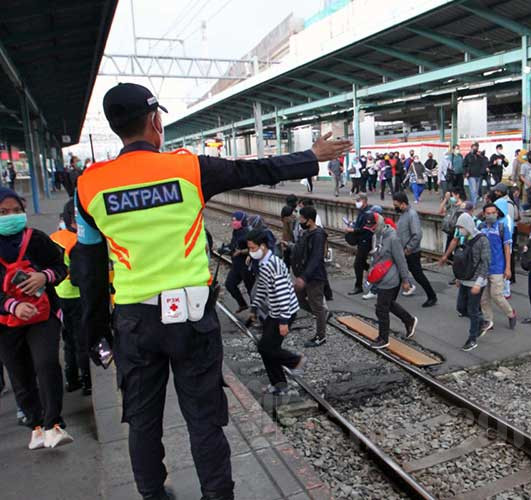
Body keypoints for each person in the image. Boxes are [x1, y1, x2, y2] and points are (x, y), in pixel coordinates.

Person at [72, 83, 349, 500]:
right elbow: (256, 170)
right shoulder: (187, 169)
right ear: (155, 121)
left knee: (143, 422)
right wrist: (312, 157)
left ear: (115, 128)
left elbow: (88, 270)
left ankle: (153, 494)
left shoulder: (89, 186)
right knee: (204, 418)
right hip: (191, 317)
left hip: (133, 321)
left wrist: (94, 332)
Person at [0, 188, 72, 450]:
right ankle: (36, 425)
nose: (11, 216)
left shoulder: (36, 239)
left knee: (47, 364)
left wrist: (45, 276)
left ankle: (54, 423)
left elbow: (61, 266)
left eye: (16, 211)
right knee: (20, 375)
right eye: (3, 212)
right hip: (6, 324)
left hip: (44, 315)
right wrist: (12, 305)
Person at [247, 230, 304, 396]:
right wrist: (254, 308)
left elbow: (283, 294)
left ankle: (296, 361)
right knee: (267, 348)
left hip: (284, 311)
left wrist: (284, 321)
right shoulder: (264, 263)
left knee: (266, 347)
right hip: (275, 310)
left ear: (263, 247)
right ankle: (279, 384)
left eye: (253, 248)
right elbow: (263, 289)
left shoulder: (272, 264)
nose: (251, 252)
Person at [50, 199, 92, 396]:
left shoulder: (53, 237)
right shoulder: (77, 242)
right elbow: (78, 277)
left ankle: (71, 379)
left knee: (68, 340)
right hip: (77, 297)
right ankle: (87, 381)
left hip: (58, 297)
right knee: (82, 340)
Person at [366, 212, 417, 349]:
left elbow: (401, 260)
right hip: (380, 276)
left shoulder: (393, 238)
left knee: (381, 308)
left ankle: (384, 338)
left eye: (373, 226)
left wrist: (406, 280)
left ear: (379, 224)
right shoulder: (376, 235)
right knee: (387, 304)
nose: (371, 229)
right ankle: (409, 320)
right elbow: (376, 255)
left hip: (391, 278)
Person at [293, 206, 330, 348]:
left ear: (309, 220)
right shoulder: (308, 232)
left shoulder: (318, 235)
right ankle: (321, 314)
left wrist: (304, 277)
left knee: (317, 305)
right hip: (306, 275)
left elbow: (315, 258)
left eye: (302, 218)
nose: (300, 221)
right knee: (300, 299)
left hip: (314, 277)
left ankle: (321, 336)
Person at [452, 213, 489, 352]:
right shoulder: (465, 238)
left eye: (461, 227)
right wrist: (459, 278)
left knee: (472, 310)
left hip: (476, 282)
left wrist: (479, 283)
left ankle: (472, 339)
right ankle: (482, 321)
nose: (460, 230)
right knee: (461, 307)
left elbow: (485, 262)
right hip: (465, 280)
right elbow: (463, 261)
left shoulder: (482, 240)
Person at [393, 191, 437, 307]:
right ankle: (390, 299)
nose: (395, 207)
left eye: (396, 204)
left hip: (410, 252)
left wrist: (409, 248)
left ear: (403, 203)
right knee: (398, 272)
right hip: (404, 251)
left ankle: (432, 296)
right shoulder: (404, 214)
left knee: (418, 275)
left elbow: (417, 234)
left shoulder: (412, 214)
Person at [478, 203, 516, 333]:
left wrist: (508, 267)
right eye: (488, 213)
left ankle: (511, 313)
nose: (491, 215)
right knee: (483, 298)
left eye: (493, 213)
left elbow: (507, 249)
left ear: (497, 213)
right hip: (483, 268)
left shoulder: (502, 227)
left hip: (497, 267)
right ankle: (488, 321)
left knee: (496, 295)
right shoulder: (480, 227)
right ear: (484, 214)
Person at [222, 211, 253, 313]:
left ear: (242, 221)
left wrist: (240, 252)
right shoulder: (236, 232)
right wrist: (226, 249)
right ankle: (242, 304)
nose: (233, 222)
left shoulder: (248, 233)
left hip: (246, 266)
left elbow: (254, 249)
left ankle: (256, 313)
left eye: (236, 221)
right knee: (230, 284)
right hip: (236, 265)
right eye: (232, 220)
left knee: (251, 290)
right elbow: (233, 245)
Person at [346, 193, 372, 296]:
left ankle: (358, 286)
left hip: (365, 241)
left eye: (358, 201)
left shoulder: (368, 213)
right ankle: (375, 273)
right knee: (362, 263)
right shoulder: (362, 212)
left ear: (364, 201)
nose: (356, 203)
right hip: (362, 241)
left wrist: (352, 229)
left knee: (358, 264)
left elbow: (365, 229)